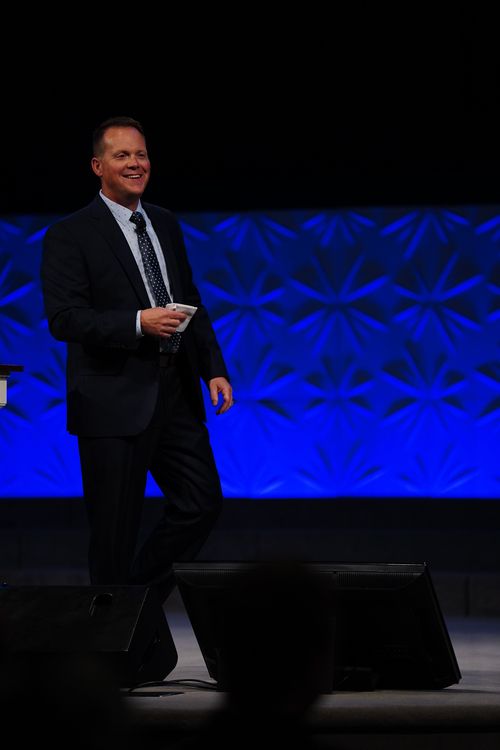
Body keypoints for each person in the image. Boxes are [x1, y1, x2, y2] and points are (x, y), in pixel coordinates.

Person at [41, 115, 233, 603]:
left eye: (141, 154)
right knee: (113, 534)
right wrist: (136, 323)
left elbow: (190, 298)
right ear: (97, 166)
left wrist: (213, 368)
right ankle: (111, 635)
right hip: (112, 396)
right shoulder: (70, 234)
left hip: (175, 389)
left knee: (201, 503)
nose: (135, 164)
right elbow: (65, 319)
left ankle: (132, 600)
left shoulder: (164, 222)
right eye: (122, 155)